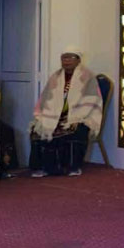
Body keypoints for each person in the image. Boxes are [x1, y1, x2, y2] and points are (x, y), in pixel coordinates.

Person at [29, 47, 103, 177]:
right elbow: (46, 97)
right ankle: (44, 167)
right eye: (64, 58)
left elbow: (92, 100)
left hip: (80, 115)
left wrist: (76, 116)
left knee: (76, 128)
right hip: (56, 114)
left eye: (70, 57)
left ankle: (72, 167)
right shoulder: (55, 77)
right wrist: (46, 115)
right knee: (38, 129)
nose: (66, 61)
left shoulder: (87, 76)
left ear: (78, 60)